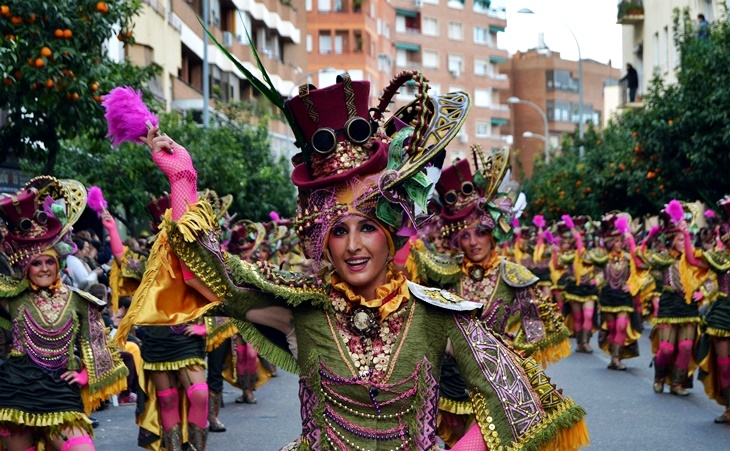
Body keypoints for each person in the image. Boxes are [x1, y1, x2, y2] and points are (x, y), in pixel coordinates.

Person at [116, 69, 589, 450]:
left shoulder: (438, 314)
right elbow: (214, 278)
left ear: (390, 234)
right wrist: (183, 179)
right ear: (322, 242)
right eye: (338, 231)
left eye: (367, 227)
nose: (354, 245)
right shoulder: (302, 311)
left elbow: (519, 401)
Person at [409, 150, 571, 447]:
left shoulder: (514, 276)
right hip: (451, 385)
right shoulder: (444, 272)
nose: (473, 243)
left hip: (497, 386)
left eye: (480, 233)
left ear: (492, 232)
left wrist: (507, 355)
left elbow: (535, 332)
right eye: (465, 236)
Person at [0, 177, 128, 451]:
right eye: (37, 263)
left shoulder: (79, 300)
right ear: (26, 266)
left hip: (60, 391)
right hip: (16, 390)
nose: (44, 268)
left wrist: (84, 374)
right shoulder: (11, 295)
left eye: (50, 261)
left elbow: (99, 346)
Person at [646, 201, 707, 396]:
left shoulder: (695, 257)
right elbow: (640, 259)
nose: (685, 242)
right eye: (680, 239)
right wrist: (647, 237)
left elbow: (708, 275)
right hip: (668, 305)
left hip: (688, 305)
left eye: (686, 239)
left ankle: (677, 383)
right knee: (665, 349)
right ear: (672, 240)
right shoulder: (663, 257)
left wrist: (704, 292)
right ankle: (659, 376)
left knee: (686, 346)